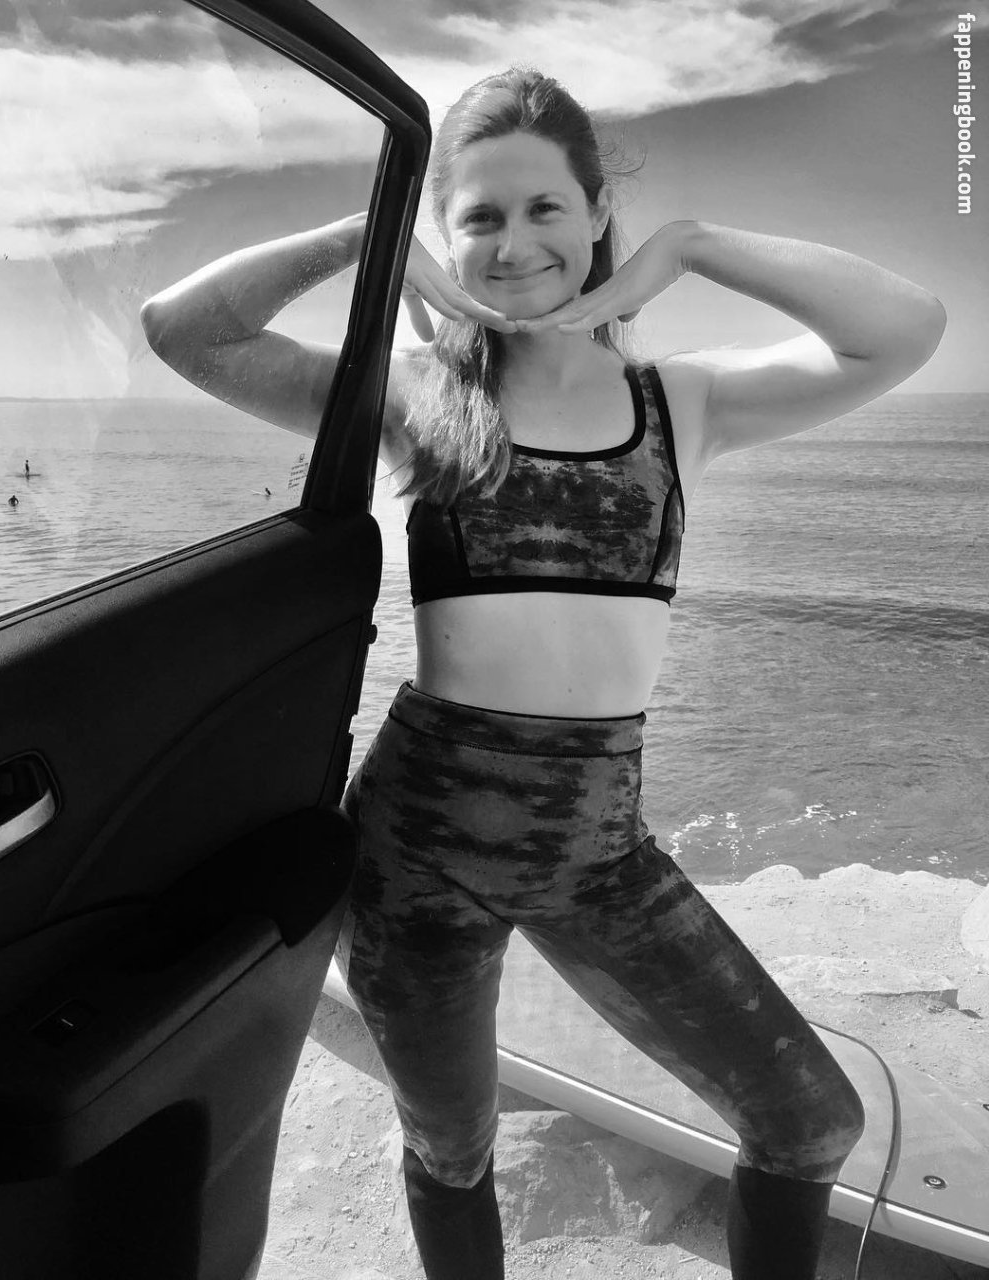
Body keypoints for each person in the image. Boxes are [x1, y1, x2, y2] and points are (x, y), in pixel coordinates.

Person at [141, 68, 945, 1280]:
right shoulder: (415, 397)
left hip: (601, 850)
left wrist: (689, 244)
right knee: (451, 1145)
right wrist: (371, 237)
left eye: (545, 208)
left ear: (595, 215)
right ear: (446, 234)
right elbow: (184, 328)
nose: (514, 243)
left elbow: (904, 326)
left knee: (808, 1119)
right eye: (480, 216)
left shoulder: (680, 403)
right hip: (418, 854)